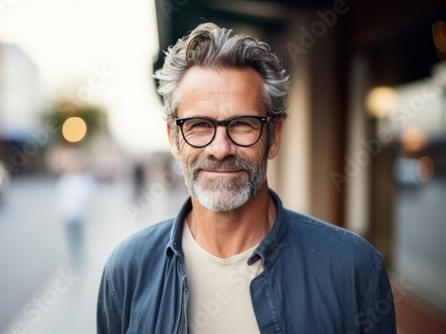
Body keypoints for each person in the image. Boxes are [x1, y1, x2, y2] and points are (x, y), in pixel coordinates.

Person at [97, 22, 396, 334]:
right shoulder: (126, 270)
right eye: (199, 124)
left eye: (242, 123)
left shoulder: (355, 268)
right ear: (174, 137)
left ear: (274, 136)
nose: (220, 148)